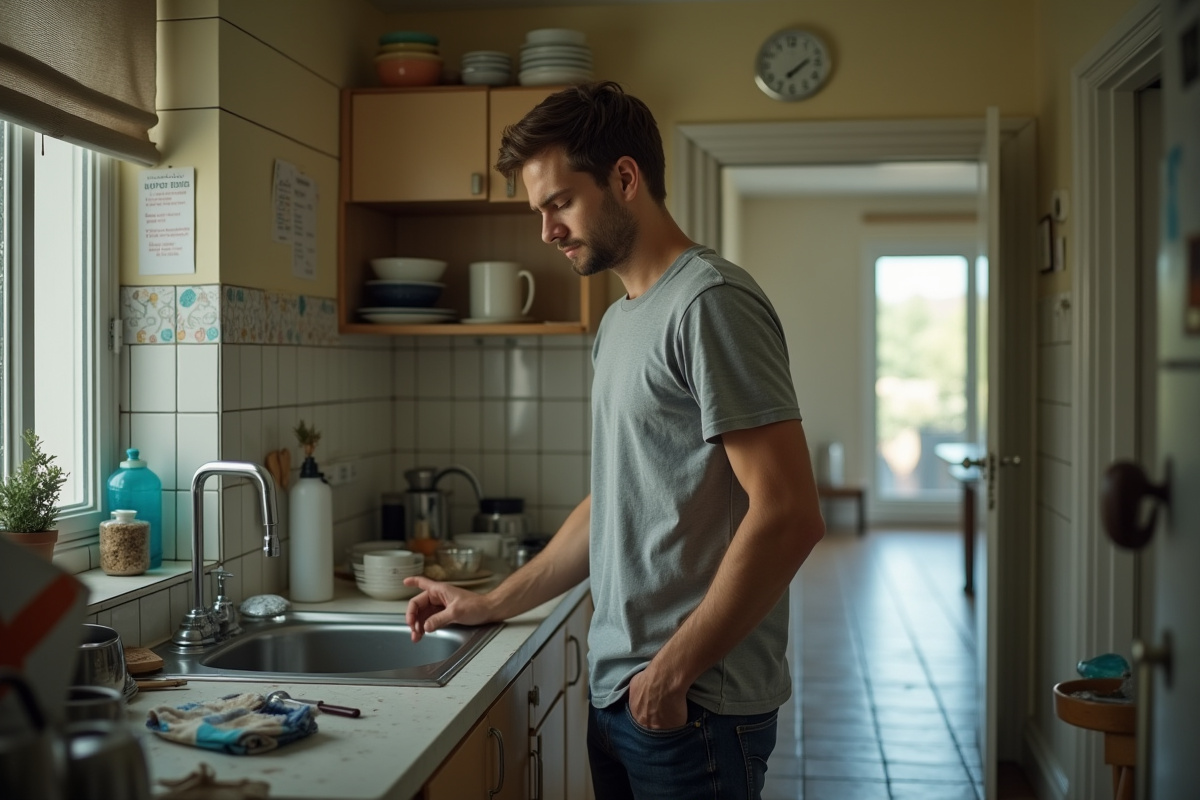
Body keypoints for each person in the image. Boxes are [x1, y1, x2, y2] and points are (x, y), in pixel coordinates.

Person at [404, 81, 825, 800]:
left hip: (693, 705)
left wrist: (672, 673)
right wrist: (491, 601)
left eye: (560, 203)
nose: (546, 231)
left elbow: (789, 514)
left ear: (625, 178)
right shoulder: (622, 320)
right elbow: (618, 500)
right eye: (539, 211)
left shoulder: (710, 303)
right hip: (623, 696)